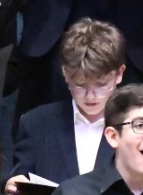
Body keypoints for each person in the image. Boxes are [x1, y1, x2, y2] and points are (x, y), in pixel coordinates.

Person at [9, 17, 122, 184]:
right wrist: (13, 185)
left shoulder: (136, 125)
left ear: (119, 74)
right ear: (65, 74)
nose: (90, 96)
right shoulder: (36, 124)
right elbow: (20, 178)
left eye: (101, 85)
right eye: (80, 85)